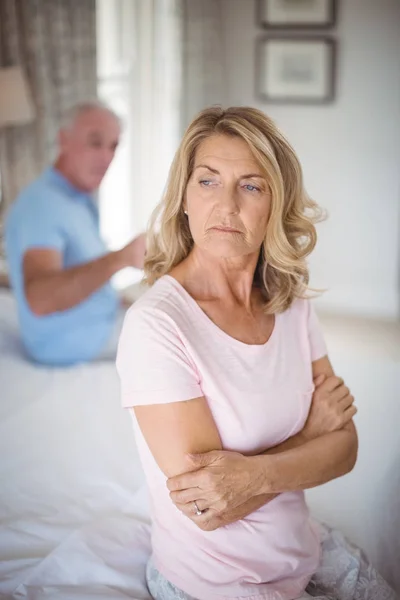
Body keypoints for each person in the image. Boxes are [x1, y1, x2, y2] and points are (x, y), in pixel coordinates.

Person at [116, 107, 396, 600]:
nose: (225, 206)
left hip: (302, 548)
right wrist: (310, 436)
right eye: (208, 181)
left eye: (250, 186)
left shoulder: (290, 303)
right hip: (217, 582)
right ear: (184, 196)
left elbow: (347, 449)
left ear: (276, 204)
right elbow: (209, 508)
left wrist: (248, 474)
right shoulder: (156, 324)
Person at [5, 101, 146, 366]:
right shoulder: (41, 205)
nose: (107, 158)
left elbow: (79, 269)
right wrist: (119, 259)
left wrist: (118, 300)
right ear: (63, 140)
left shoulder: (77, 198)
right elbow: (40, 299)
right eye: (95, 143)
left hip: (100, 321)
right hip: (71, 343)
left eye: (114, 146)